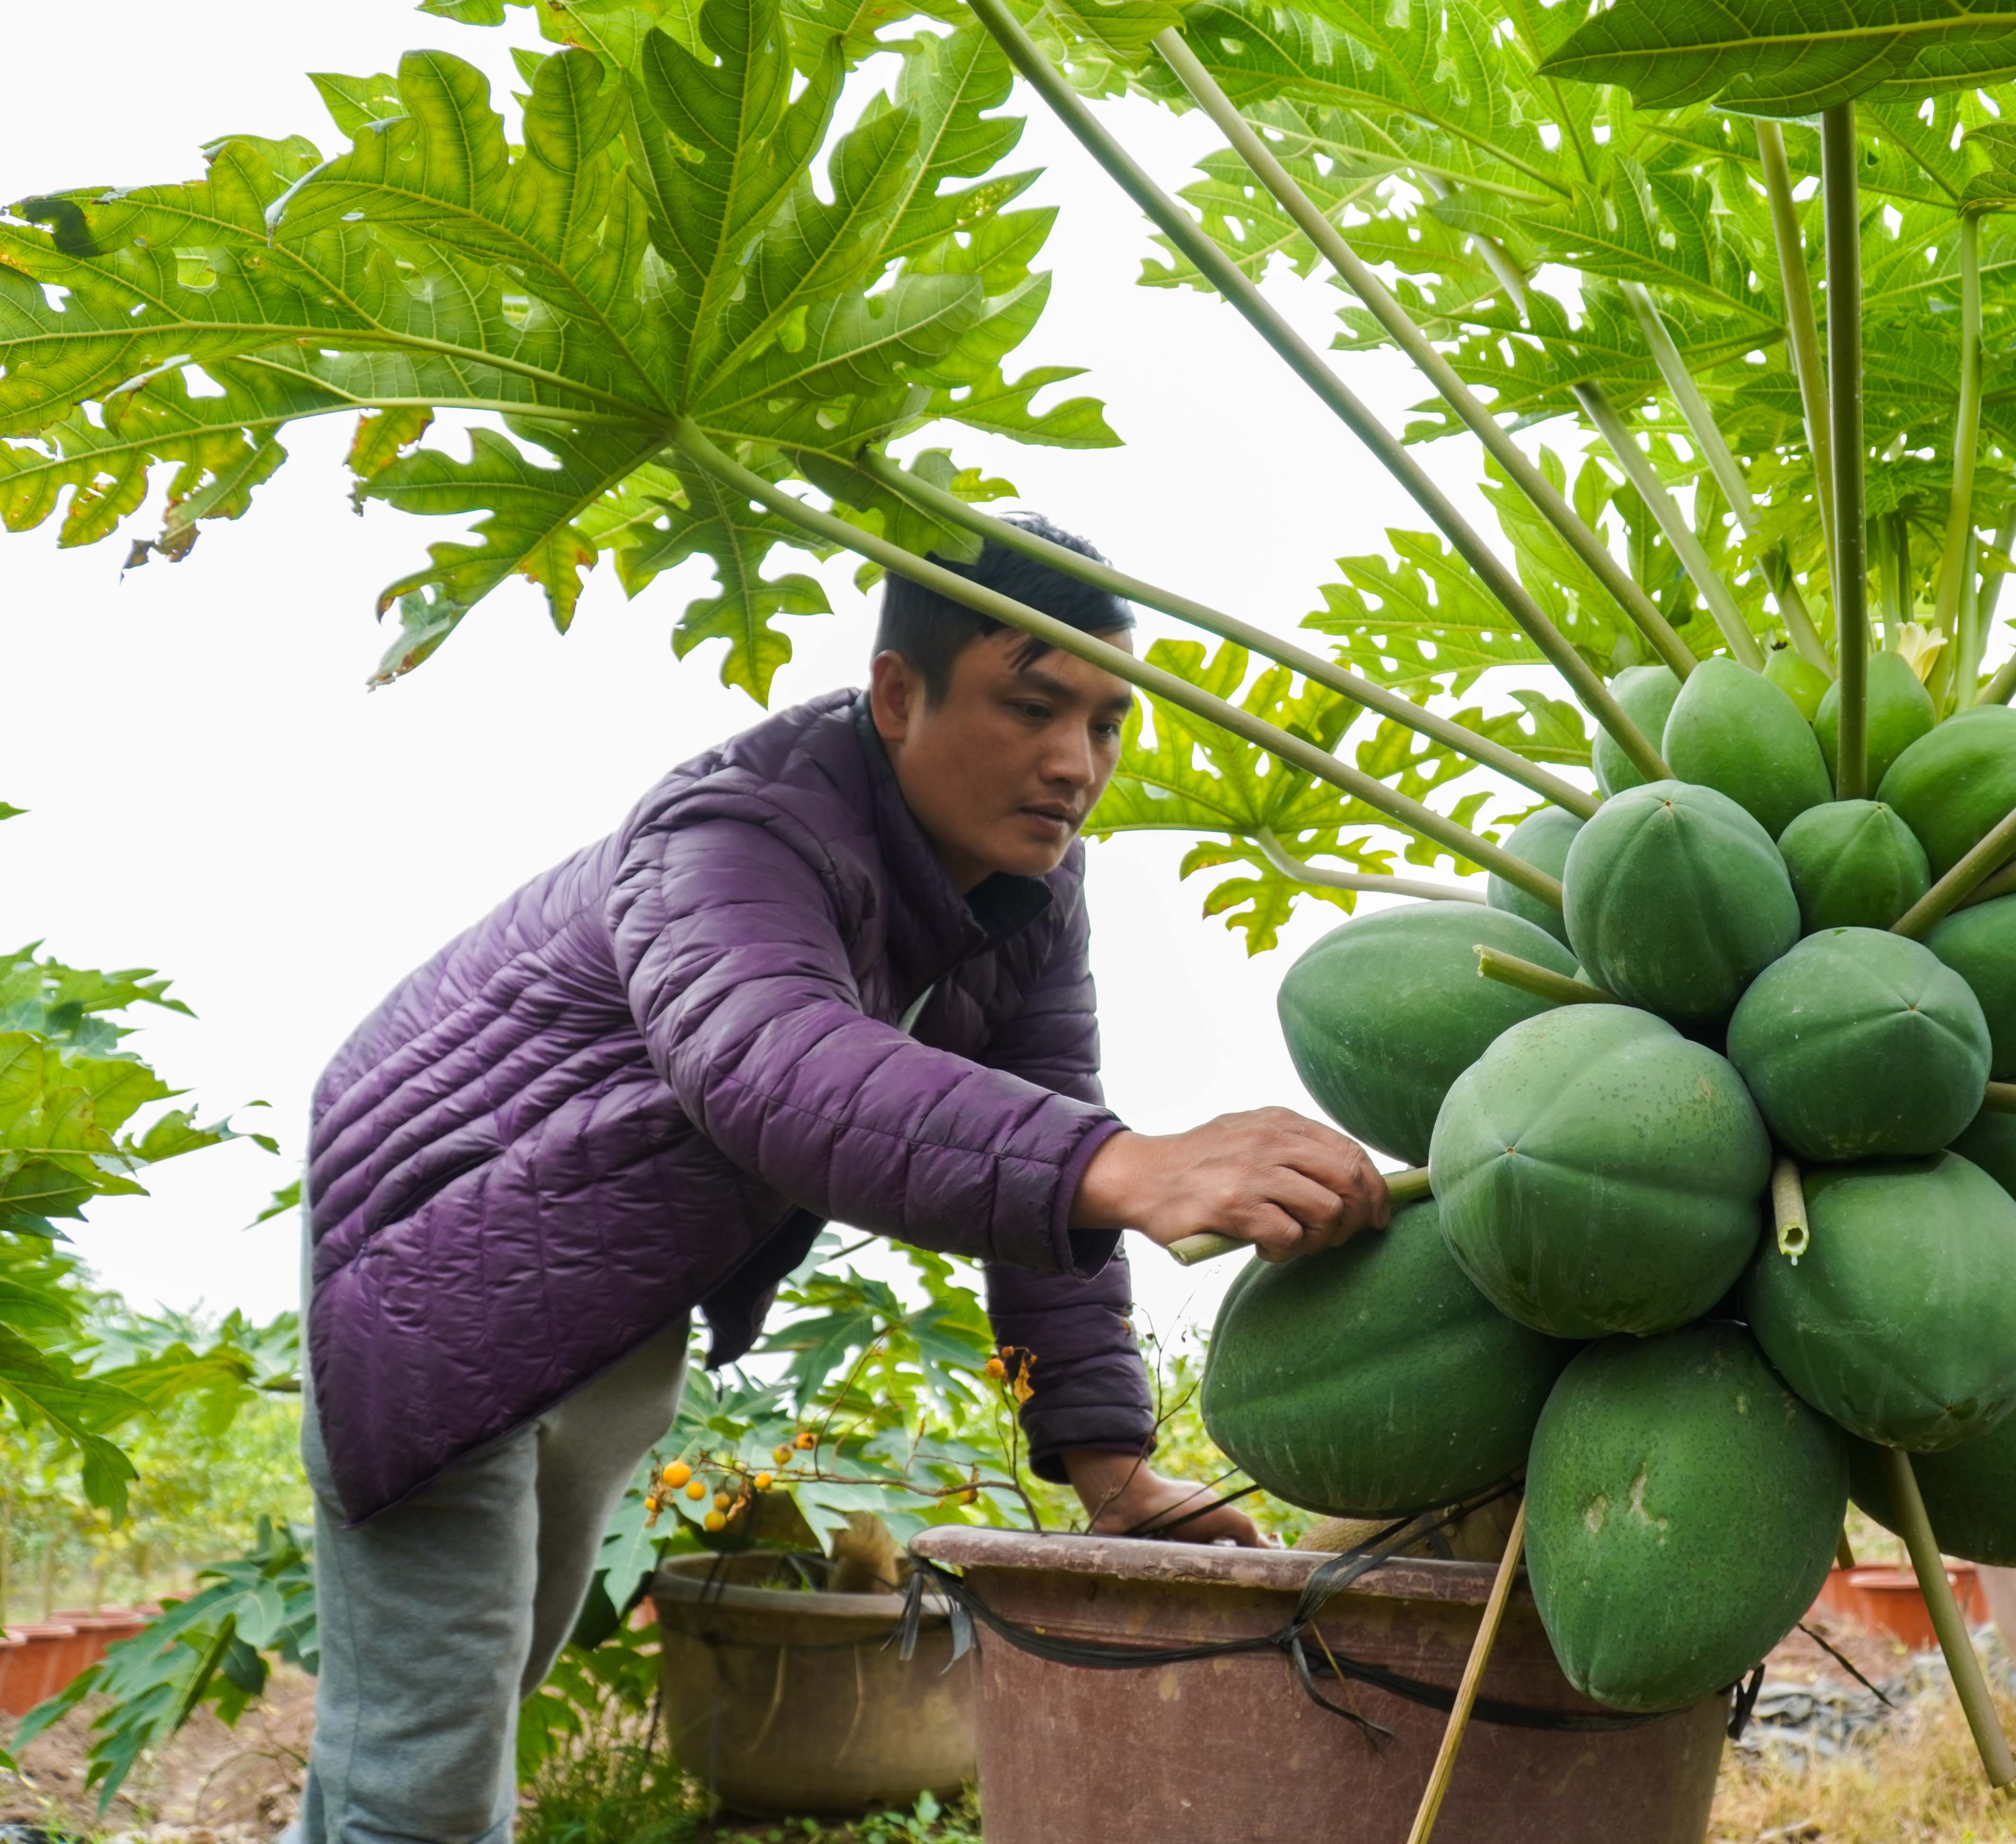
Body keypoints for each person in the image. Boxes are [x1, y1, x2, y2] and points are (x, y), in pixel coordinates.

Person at [291, 517, 1388, 1843]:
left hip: (608, 1305)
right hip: (441, 1280)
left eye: (1105, 722)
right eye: (1031, 704)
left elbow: (1045, 1140)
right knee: (421, 1782)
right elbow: (776, 1066)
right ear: (896, 695)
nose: (1073, 763)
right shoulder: (730, 832)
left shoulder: (1028, 893)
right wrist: (1123, 1164)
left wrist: (1111, 1470)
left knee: (459, 1700)